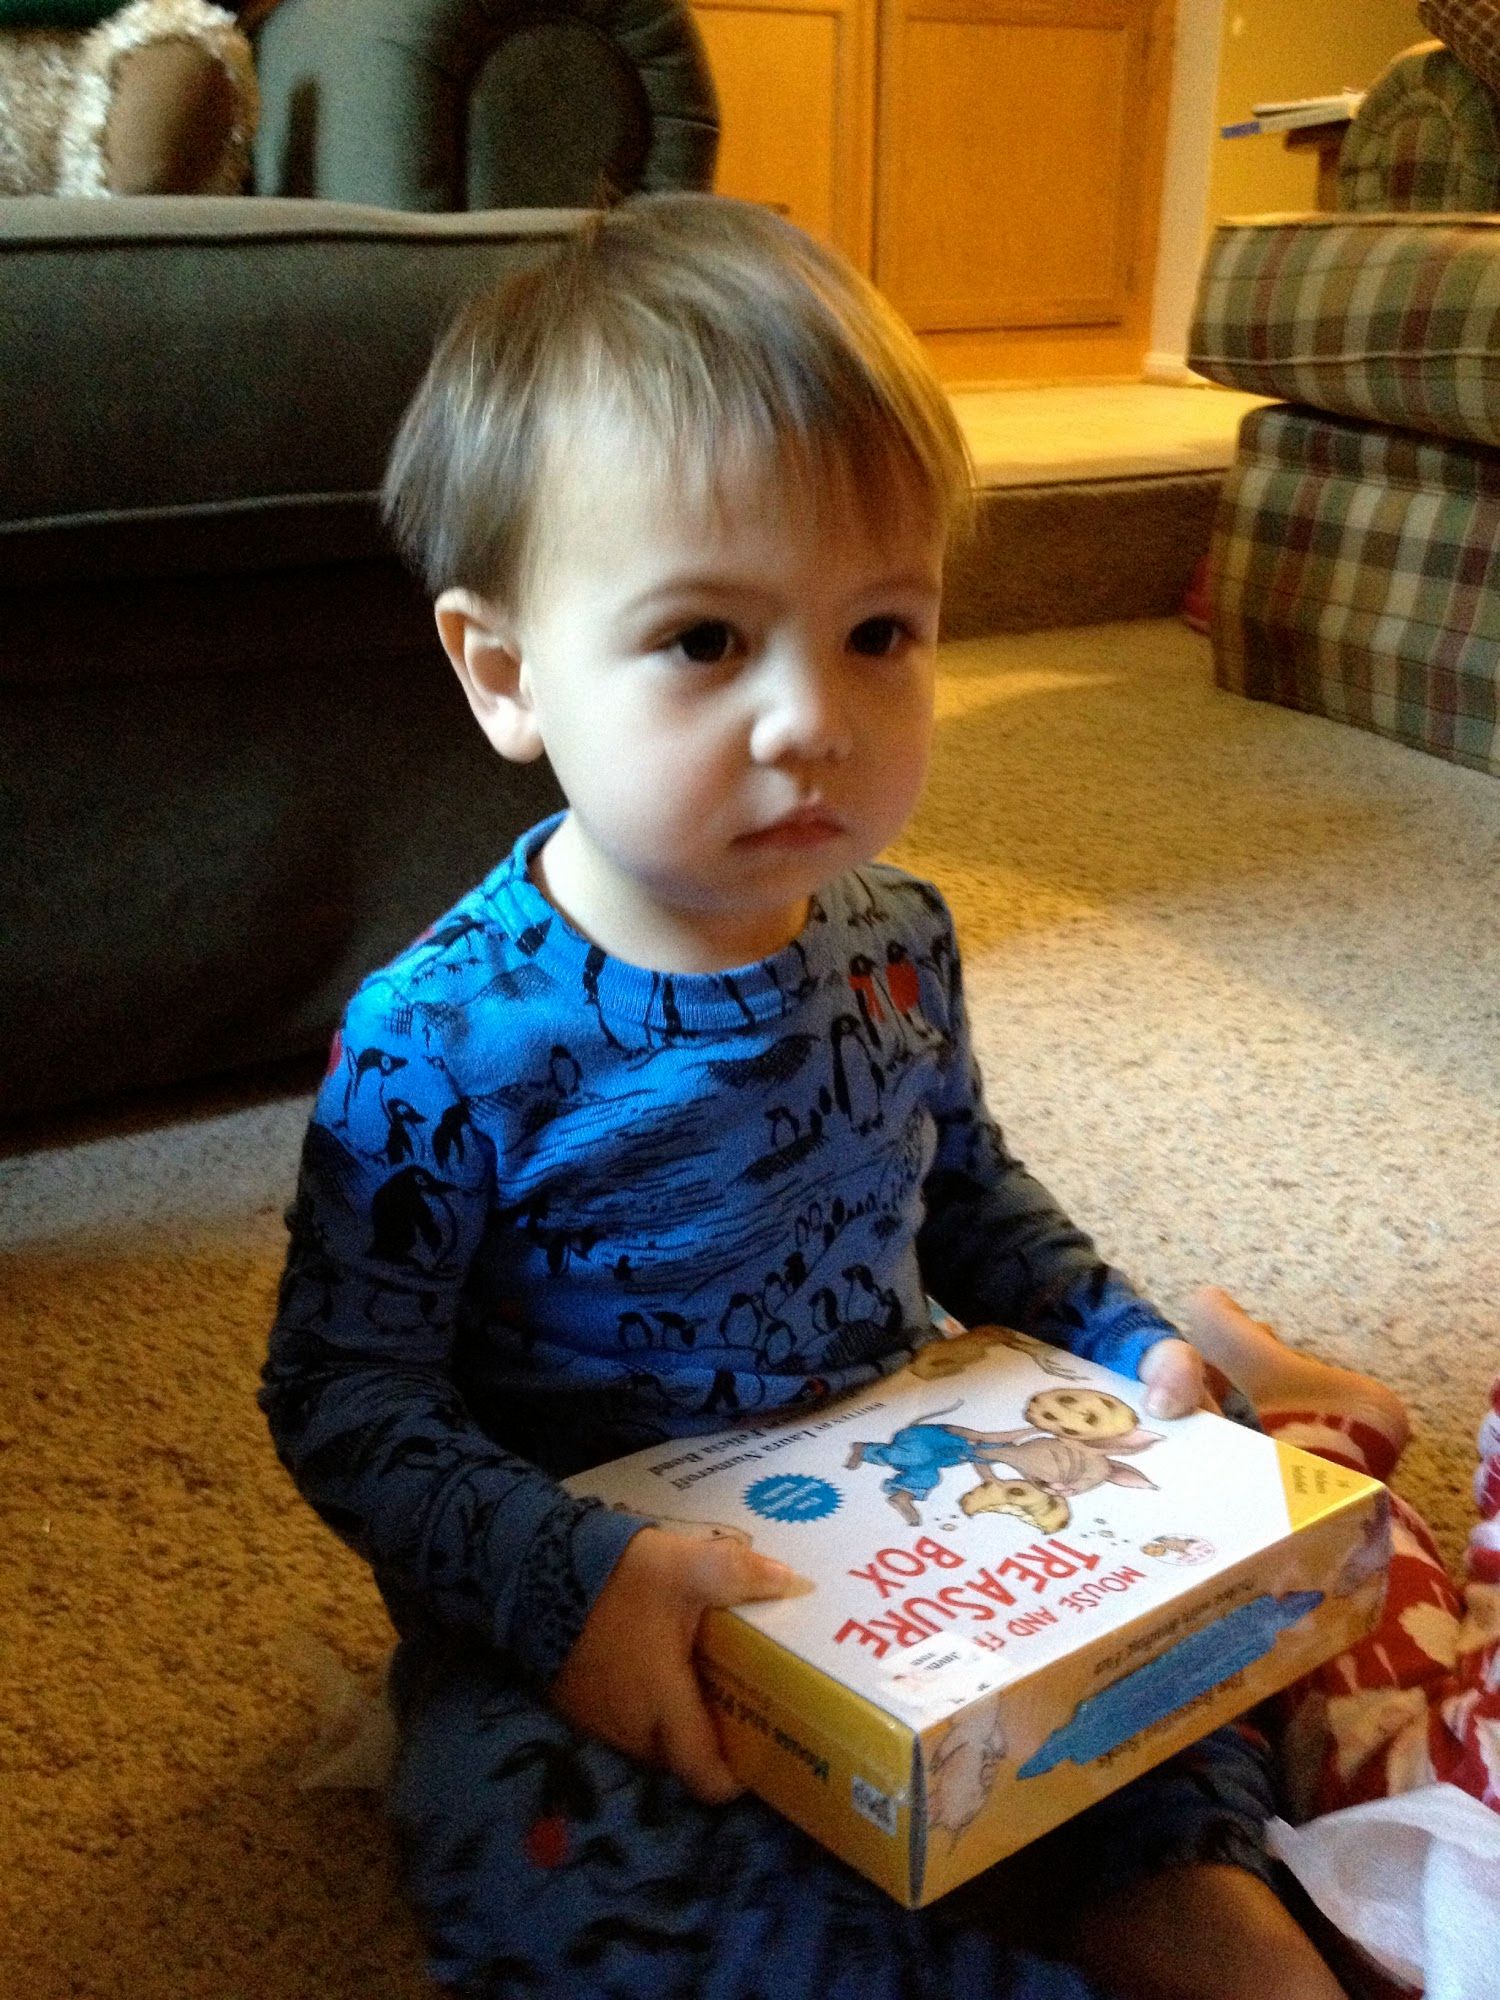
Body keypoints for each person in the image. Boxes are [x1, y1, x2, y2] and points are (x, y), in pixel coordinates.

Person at [260, 192, 1351, 2000]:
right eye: (705, 640)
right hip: (617, 1623)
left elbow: (973, 1199)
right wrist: (565, 1583)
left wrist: (1120, 1339)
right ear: (506, 672)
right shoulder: (435, 1038)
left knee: (1187, 1696)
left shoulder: (897, 935)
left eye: (880, 633)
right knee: (562, 1875)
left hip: (921, 1542)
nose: (811, 721)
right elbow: (344, 1394)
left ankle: (1185, 1894)